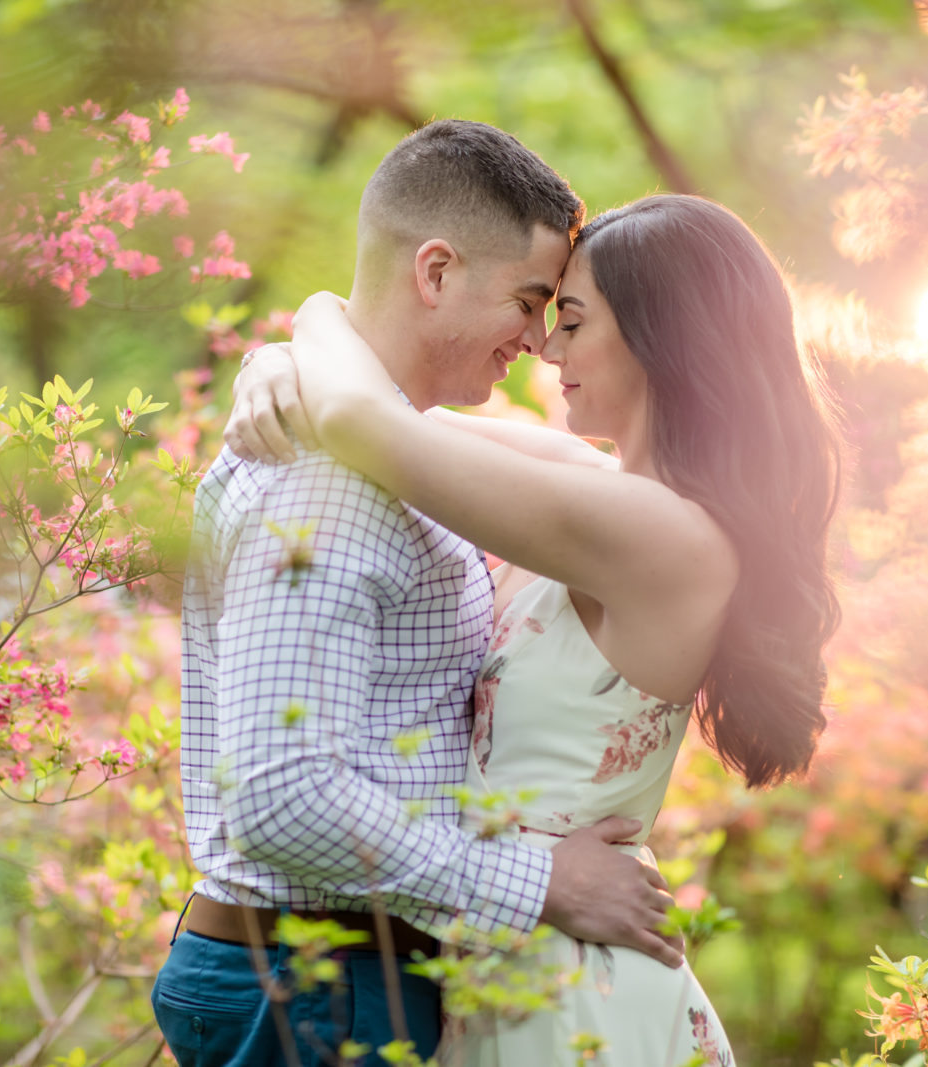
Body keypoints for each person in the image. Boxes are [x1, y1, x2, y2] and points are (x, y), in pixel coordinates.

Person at [226, 193, 842, 1063]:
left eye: (575, 322)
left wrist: (314, 319)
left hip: (570, 993)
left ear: (664, 341)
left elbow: (361, 419)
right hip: (512, 958)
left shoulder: (668, 538)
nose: (546, 349)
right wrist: (279, 356)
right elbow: (376, 403)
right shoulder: (590, 482)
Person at [153, 121, 689, 1067]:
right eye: (531, 303)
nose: (535, 341)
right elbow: (279, 795)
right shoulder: (331, 481)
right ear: (435, 273)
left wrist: (302, 337)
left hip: (353, 978)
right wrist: (536, 881)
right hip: (311, 988)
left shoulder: (400, 457)